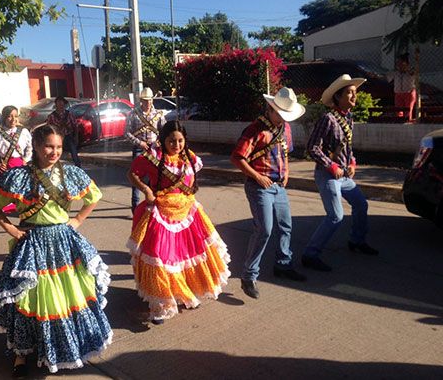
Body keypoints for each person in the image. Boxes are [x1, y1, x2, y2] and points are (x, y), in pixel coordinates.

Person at [0, 124, 112, 378]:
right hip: (32, 244)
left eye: (59, 147)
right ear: (37, 147)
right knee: (29, 299)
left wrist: (78, 220)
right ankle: (22, 353)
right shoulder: (19, 176)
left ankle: (65, 346)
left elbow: (93, 196)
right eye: (49, 146)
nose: (54, 151)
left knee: (66, 296)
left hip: (64, 242)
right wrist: (13, 231)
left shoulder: (71, 173)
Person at [127, 120, 230, 324]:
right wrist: (146, 190)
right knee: (160, 258)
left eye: (180, 140)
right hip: (160, 214)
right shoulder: (153, 157)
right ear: (163, 140)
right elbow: (131, 174)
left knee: (185, 255)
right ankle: (161, 304)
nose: (176, 145)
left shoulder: (189, 158)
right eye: (172, 140)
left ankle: (184, 292)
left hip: (187, 213)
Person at [230, 87, 307, 299]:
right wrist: (257, 176)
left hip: (278, 186)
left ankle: (283, 264)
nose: (283, 119)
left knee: (286, 226)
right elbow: (237, 158)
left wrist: (287, 172)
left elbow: (286, 153)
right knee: (264, 229)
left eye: (285, 116)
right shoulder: (254, 130)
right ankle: (249, 275)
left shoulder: (286, 129)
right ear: (271, 109)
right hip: (259, 186)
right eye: (280, 115)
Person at [302, 74, 379, 272]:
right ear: (338, 97)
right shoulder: (328, 119)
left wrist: (352, 162)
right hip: (328, 175)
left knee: (361, 204)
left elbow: (347, 147)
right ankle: (310, 254)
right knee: (336, 216)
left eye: (355, 92)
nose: (354, 97)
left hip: (344, 175)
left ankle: (357, 240)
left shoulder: (348, 118)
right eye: (350, 93)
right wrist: (331, 166)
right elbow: (312, 147)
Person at [0, 105, 32, 247]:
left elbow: (30, 147)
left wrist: (26, 159)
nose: (13, 119)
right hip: (6, 170)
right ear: (4, 117)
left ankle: (24, 231)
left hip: (22, 169)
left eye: (15, 116)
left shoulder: (23, 131)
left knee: (24, 202)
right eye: (9, 116)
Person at [125, 87, 166, 211]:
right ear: (141, 100)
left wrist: (160, 141)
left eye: (149, 100)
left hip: (154, 150)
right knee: (136, 178)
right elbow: (126, 133)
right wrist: (139, 143)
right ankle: (136, 208)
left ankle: (153, 206)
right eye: (145, 100)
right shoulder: (133, 114)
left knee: (155, 178)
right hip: (139, 149)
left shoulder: (158, 114)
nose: (147, 103)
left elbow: (164, 131)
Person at [45, 96, 81, 167]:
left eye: (62, 104)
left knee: (73, 151)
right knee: (55, 153)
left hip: (68, 136)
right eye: (59, 104)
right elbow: (49, 128)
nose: (61, 106)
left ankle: (78, 166)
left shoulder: (69, 114)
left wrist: (76, 137)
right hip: (57, 137)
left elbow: (75, 125)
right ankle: (54, 167)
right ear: (56, 105)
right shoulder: (52, 116)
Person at [386, 53, 416, 122]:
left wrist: (406, 70)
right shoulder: (396, 73)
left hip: (408, 92)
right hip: (398, 93)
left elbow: (413, 74)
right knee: (398, 110)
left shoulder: (410, 71)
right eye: (398, 63)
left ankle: (407, 120)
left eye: (401, 63)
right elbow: (387, 77)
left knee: (408, 110)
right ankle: (399, 121)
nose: (399, 65)